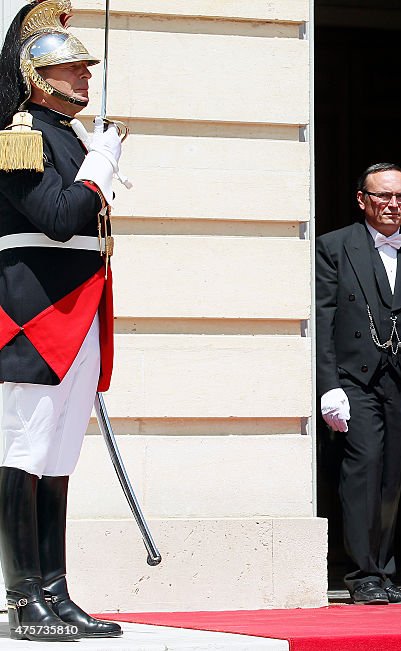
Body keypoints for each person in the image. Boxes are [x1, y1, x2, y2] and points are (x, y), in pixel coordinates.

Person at [0, 0, 125, 641]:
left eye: (85, 68)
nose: (85, 78)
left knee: (57, 459)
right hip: (31, 314)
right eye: (74, 70)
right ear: (37, 77)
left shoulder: (68, 137)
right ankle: (24, 602)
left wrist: (93, 156)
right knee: (24, 454)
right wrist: (102, 163)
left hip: (76, 310)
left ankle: (56, 591)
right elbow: (56, 216)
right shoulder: (19, 135)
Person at [315, 163, 401, 605]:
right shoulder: (334, 247)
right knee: (363, 470)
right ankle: (362, 574)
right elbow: (323, 319)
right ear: (362, 199)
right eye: (383, 197)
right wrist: (328, 385)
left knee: (392, 476)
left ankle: (385, 572)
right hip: (356, 379)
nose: (393, 205)